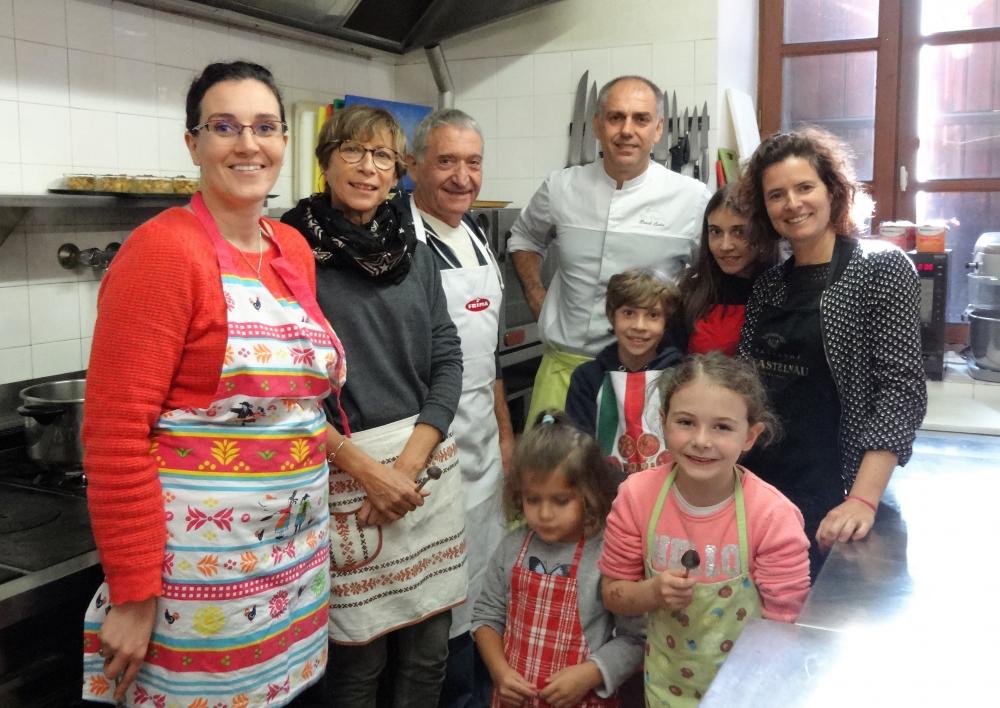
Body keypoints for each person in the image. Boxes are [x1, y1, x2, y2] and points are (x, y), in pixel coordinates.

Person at [81, 61, 344, 707]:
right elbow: (115, 436)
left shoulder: (291, 248)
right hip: (195, 579)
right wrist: (136, 595)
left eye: (265, 126)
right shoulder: (163, 251)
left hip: (290, 569)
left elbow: (297, 405)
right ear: (193, 144)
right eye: (224, 126)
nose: (248, 143)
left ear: (285, 141)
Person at [281, 104, 466, 707]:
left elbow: (448, 358)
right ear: (325, 160)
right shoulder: (289, 251)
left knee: (427, 656)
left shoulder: (412, 248)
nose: (367, 168)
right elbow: (284, 381)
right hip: (342, 475)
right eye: (352, 152)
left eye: (382, 155)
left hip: (422, 471)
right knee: (357, 664)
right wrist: (365, 471)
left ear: (398, 172)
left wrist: (406, 469)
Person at [736, 127, 927, 579]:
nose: (793, 203)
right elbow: (742, 389)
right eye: (776, 194)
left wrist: (862, 498)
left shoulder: (878, 267)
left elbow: (901, 390)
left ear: (833, 191)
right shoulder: (767, 286)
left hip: (836, 488)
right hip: (760, 488)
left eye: (805, 187)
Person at [600, 353, 810, 705]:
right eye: (686, 422)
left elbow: (785, 624)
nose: (701, 440)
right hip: (665, 691)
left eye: (722, 427)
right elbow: (612, 593)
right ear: (663, 422)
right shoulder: (636, 497)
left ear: (750, 436)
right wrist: (653, 593)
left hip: (748, 692)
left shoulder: (773, 516)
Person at [508, 75, 711, 428]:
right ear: (598, 125)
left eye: (641, 119)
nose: (626, 130)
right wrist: (537, 297)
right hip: (563, 372)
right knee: (553, 481)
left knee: (637, 481)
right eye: (616, 117)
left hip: (648, 382)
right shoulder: (561, 187)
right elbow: (524, 237)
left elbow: (711, 277)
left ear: (658, 129)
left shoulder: (691, 199)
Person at [405, 108, 514, 707]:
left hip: (483, 446)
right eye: (446, 161)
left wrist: (506, 436)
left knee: (482, 588)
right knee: (434, 600)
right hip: (428, 445)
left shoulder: (476, 236)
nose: (461, 176)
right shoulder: (401, 240)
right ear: (415, 165)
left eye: (473, 162)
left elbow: (489, 358)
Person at [472, 411, 643, 708]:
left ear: (589, 496)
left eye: (560, 500)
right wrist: (499, 671)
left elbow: (635, 639)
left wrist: (590, 674)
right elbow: (487, 617)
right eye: (532, 499)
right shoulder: (511, 547)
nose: (545, 513)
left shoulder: (608, 555)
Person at [566, 267, 683, 476]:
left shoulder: (682, 377)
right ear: (612, 316)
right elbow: (579, 447)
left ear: (666, 321)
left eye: (653, 315)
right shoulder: (587, 378)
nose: (639, 326)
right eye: (629, 313)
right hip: (607, 494)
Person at [668, 184, 779, 355]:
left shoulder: (784, 290)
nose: (725, 246)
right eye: (716, 232)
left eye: (739, 232)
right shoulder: (690, 293)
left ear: (761, 231)